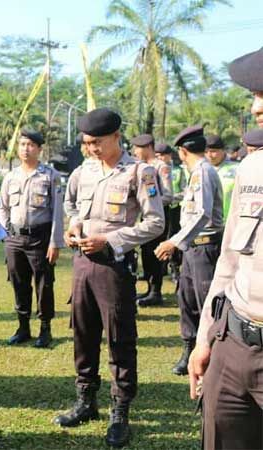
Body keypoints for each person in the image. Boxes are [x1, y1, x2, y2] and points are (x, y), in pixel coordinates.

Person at [55, 108, 164, 448]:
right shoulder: (83, 171)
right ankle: (86, 400)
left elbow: (155, 223)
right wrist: (73, 227)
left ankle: (120, 410)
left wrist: (112, 241)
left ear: (117, 136)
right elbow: (70, 205)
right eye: (86, 143)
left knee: (119, 338)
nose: (91, 149)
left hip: (115, 267)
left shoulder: (139, 172)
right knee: (83, 335)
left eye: (97, 143)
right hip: (82, 265)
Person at [188, 46, 263, 450]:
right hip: (232, 345)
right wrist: (205, 340)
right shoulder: (253, 168)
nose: (255, 109)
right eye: (254, 95)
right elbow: (230, 262)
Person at [154, 126, 223, 376]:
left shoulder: (203, 172)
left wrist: (174, 242)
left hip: (205, 247)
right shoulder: (197, 172)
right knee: (187, 300)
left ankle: (212, 355)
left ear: (183, 151)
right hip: (193, 248)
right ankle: (189, 349)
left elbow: (203, 214)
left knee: (207, 303)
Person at [0, 129, 64, 347]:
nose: (26, 149)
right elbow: (3, 208)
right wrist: (5, 234)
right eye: (22, 144)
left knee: (44, 285)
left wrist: (55, 242)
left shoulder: (50, 176)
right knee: (19, 283)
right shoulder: (10, 177)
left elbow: (57, 212)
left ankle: (45, 328)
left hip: (41, 239)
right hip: (15, 239)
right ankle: (23, 327)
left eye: (31, 145)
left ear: (39, 149)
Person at [130, 134, 173, 307]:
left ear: (148, 147)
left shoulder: (161, 167)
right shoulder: (141, 167)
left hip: (159, 215)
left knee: (155, 253)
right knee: (146, 253)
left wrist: (148, 203)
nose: (134, 152)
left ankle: (156, 292)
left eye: (137, 148)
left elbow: (168, 195)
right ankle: (150, 289)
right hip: (145, 216)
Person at [155, 143, 187, 282]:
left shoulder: (178, 171)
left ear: (169, 155)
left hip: (175, 209)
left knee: (174, 237)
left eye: (163, 155)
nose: (161, 158)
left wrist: (172, 198)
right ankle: (160, 269)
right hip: (159, 209)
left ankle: (175, 268)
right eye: (158, 155)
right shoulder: (154, 169)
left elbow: (185, 190)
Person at [205, 134, 238, 221]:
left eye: (213, 151)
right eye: (205, 152)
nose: (209, 155)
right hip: (207, 224)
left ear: (223, 150)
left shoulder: (237, 169)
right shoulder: (201, 170)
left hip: (230, 222)